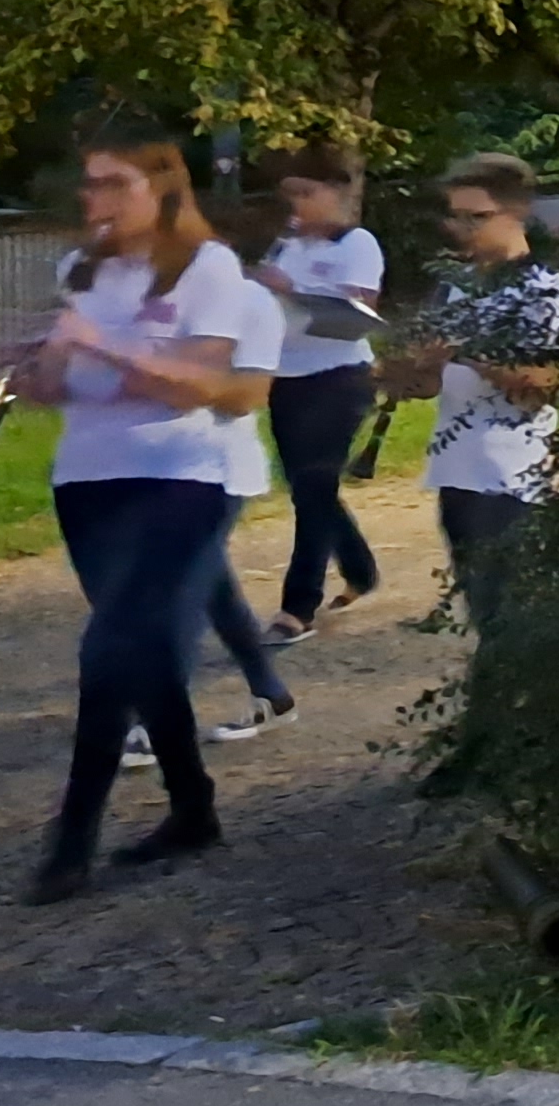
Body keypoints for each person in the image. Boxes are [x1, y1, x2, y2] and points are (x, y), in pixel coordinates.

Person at [25, 138, 268, 901]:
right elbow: (54, 389)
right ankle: (193, 809)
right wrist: (38, 364)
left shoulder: (208, 268)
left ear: (161, 187)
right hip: (88, 477)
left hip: (181, 476)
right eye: (88, 183)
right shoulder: (81, 270)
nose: (93, 198)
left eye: (113, 183)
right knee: (144, 650)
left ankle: (73, 838)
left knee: (109, 647)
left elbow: (198, 385)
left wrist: (107, 349)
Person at [405, 153, 559, 597]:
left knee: (502, 605)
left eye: (476, 217)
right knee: (478, 603)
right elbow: (428, 388)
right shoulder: (455, 284)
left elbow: (542, 386)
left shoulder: (541, 290)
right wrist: (420, 366)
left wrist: (469, 353)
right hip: (455, 469)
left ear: (517, 213)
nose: (461, 228)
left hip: (510, 475)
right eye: (455, 216)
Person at [253, 145, 386, 637]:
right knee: (309, 488)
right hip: (286, 376)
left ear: (335, 192)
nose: (297, 205)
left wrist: (288, 289)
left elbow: (354, 319)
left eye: (307, 193)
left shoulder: (356, 244)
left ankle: (298, 606)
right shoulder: (288, 245)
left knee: (313, 486)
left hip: (339, 377)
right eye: (290, 194)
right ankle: (360, 568)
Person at [193, 240, 302, 742]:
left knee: (175, 590)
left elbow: (244, 396)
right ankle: (272, 693)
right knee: (211, 587)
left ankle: (149, 718)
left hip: (216, 465)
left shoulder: (248, 302)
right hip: (143, 468)